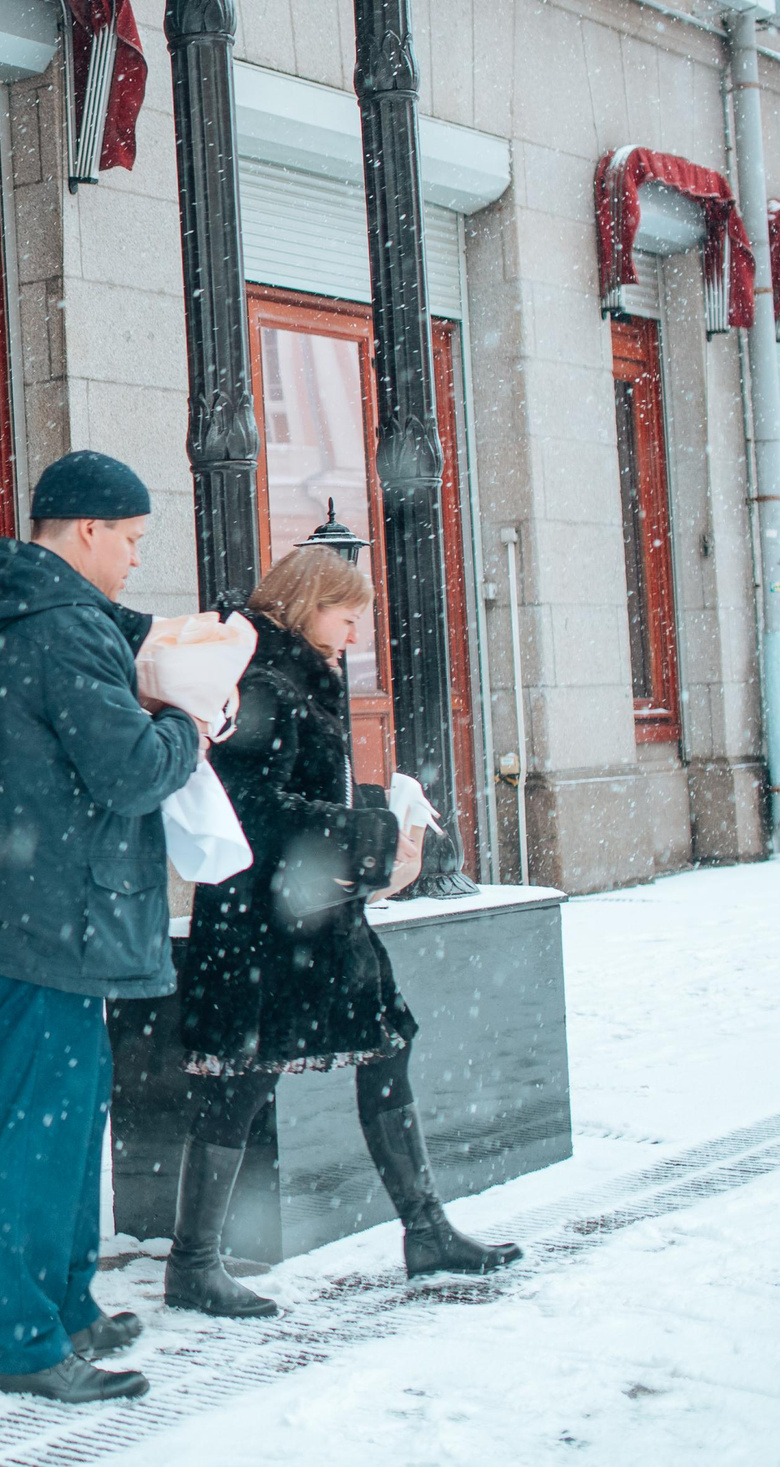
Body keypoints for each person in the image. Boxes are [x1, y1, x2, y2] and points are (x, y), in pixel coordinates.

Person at [169, 547, 522, 1317]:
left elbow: (296, 791)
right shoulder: (265, 681)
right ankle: (194, 1264)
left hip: (311, 919)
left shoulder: (299, 676)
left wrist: (375, 810)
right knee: (241, 1078)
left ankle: (424, 1230)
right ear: (306, 603)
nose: (356, 630)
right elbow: (256, 810)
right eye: (346, 612)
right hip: (265, 924)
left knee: (386, 1045)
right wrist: (366, 829)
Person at [0, 450, 203, 1407]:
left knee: (67, 1117)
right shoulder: (62, 629)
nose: (133, 559)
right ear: (86, 529)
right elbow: (128, 770)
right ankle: (28, 1337)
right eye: (128, 540)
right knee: (42, 1130)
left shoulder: (20, 610)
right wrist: (189, 725)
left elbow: (84, 697)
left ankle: (67, 1302)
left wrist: (151, 654)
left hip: (24, 907)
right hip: (48, 917)